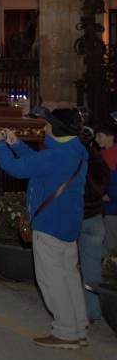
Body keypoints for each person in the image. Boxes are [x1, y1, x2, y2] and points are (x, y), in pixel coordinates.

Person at [0, 106, 89, 348]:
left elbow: (17, 169)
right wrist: (17, 145)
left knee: (52, 280)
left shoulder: (55, 156)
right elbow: (37, 163)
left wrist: (0, 145)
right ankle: (78, 328)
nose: (44, 127)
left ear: (56, 129)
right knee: (69, 277)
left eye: (47, 124)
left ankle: (65, 333)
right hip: (69, 224)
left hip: (49, 224)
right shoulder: (76, 150)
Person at [79, 127, 108, 323]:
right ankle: (93, 310)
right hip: (95, 217)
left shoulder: (75, 161)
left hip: (77, 217)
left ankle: (74, 310)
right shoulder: (99, 161)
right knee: (92, 267)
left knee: (67, 265)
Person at [95, 120, 117, 251]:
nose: (97, 140)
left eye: (100, 136)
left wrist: (109, 194)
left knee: (111, 246)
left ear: (111, 136)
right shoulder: (101, 154)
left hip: (112, 209)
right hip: (102, 208)